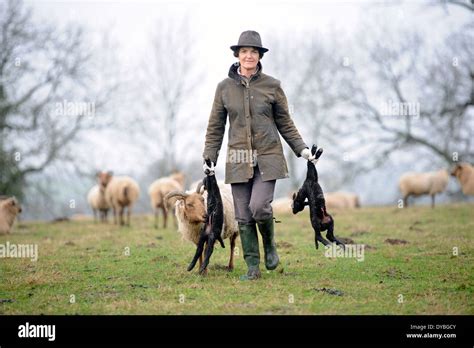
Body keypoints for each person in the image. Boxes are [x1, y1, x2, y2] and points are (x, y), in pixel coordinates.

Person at [202, 30, 318, 280]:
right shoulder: (223, 88)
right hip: (237, 161)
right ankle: (252, 268)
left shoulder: (272, 86)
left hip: (268, 157)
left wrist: (303, 149)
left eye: (254, 51)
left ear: (259, 56)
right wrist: (209, 157)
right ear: (237, 54)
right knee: (243, 215)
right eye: (244, 51)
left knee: (259, 207)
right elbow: (215, 127)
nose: (249, 55)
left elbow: (285, 123)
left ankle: (271, 248)